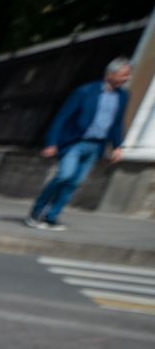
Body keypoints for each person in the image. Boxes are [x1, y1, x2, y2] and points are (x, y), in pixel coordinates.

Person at [26, 57, 133, 231]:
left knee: (74, 183)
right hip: (75, 143)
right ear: (110, 74)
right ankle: (36, 213)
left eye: (128, 75)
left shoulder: (123, 96)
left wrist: (118, 146)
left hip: (96, 146)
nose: (127, 78)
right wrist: (51, 143)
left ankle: (52, 217)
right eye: (124, 75)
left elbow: (117, 122)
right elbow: (62, 117)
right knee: (64, 176)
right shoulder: (84, 91)